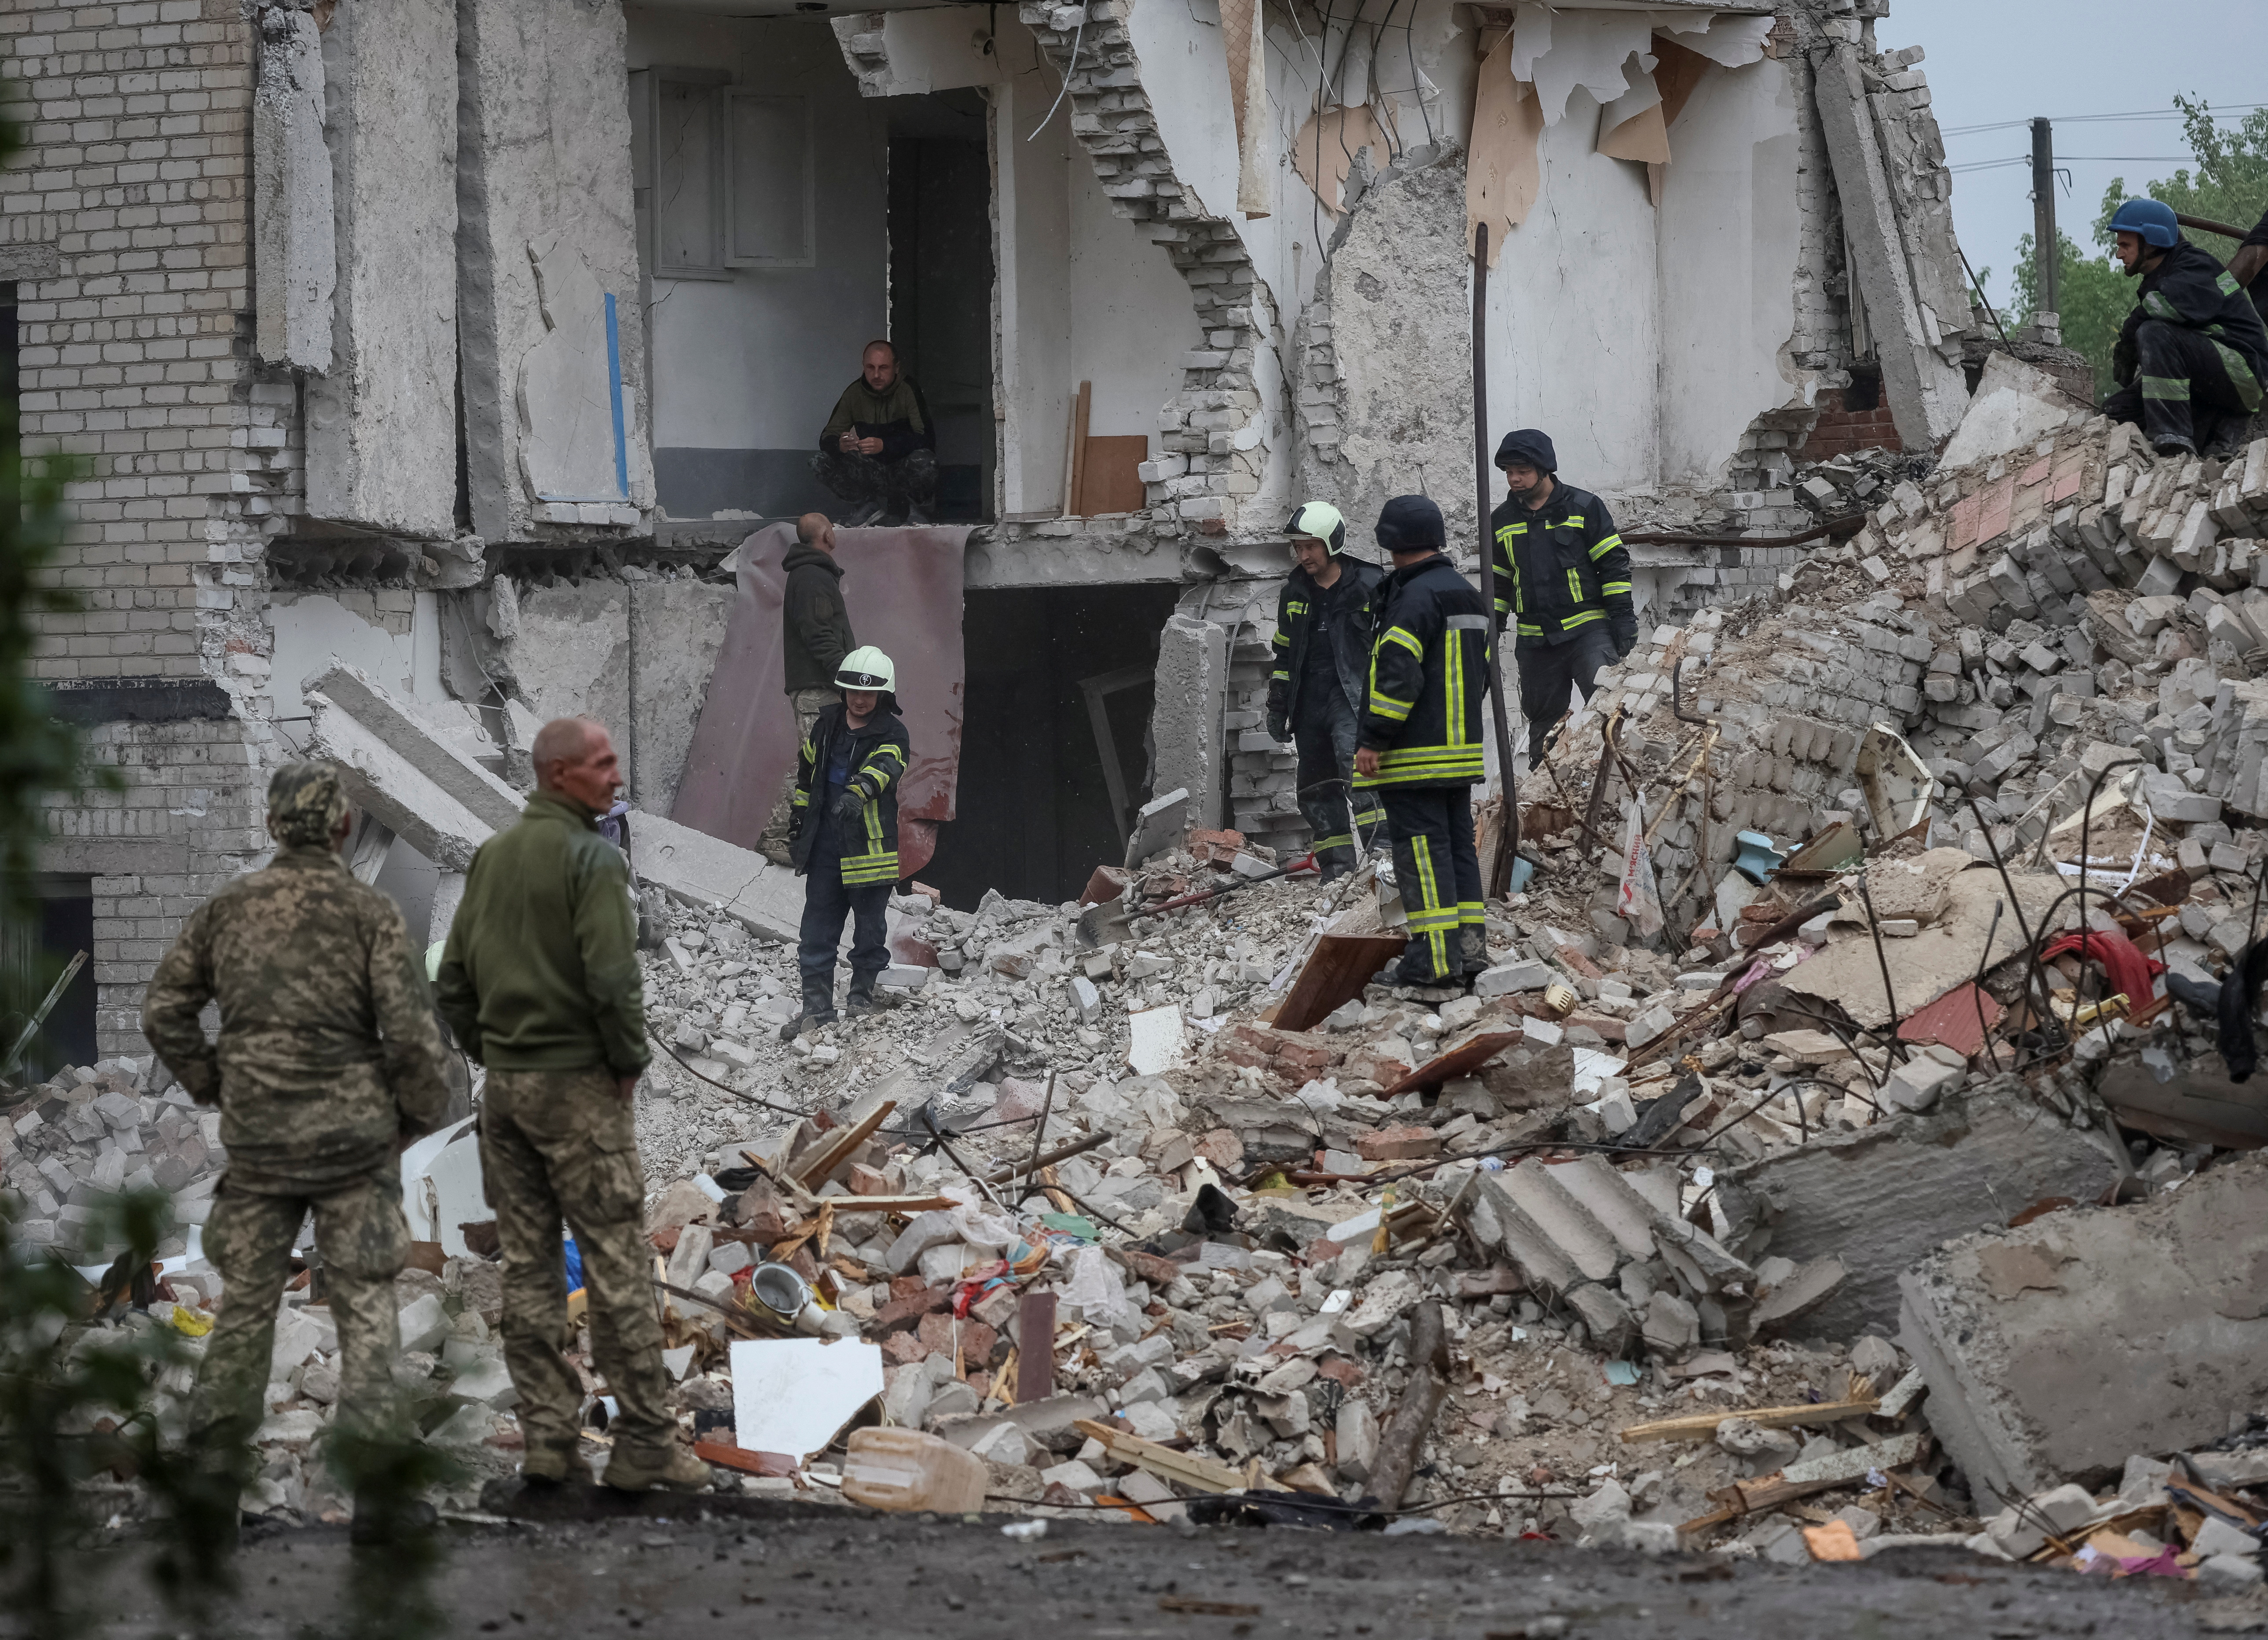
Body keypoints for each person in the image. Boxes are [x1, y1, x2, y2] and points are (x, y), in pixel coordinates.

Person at [142, 762, 451, 1544]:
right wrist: (415, 1120)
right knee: (365, 1312)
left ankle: (212, 1493)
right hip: (354, 1145)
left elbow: (163, 1010)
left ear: (275, 825)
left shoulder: (229, 909)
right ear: (344, 826)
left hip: (260, 1146)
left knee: (245, 1311)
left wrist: (213, 1083)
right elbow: (415, 1039)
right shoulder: (369, 911)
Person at [435, 717, 707, 1494]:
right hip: (579, 1091)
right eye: (601, 764)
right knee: (618, 1261)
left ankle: (549, 1441)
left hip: (507, 1098)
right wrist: (624, 1063)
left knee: (528, 1269)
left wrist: (494, 1053)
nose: (616, 777)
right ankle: (643, 1444)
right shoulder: (591, 860)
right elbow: (614, 981)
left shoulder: (490, 859)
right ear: (558, 774)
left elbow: (452, 980)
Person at [1352, 496, 1492, 989]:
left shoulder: (1412, 600)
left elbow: (1397, 678)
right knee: (1457, 850)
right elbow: (1484, 677)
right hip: (1460, 754)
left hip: (1413, 757)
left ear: (1390, 543)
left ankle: (1432, 961)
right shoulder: (1466, 594)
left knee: (1422, 855)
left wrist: (1373, 739)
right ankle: (1470, 952)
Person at [779, 646, 911, 1037]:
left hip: (868, 849)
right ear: (843, 692)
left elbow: (888, 765)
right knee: (816, 930)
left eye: (868, 694)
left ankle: (861, 1001)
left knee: (869, 930)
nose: (860, 699)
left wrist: (858, 791)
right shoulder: (827, 726)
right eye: (853, 691)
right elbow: (807, 776)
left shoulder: (893, 732)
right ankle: (816, 1011)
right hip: (825, 845)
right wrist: (799, 824)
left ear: (882, 696)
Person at [1489, 428, 1636, 768]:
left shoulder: (1585, 507)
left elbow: (1613, 567)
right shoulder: (1500, 521)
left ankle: (1616, 783)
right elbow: (1499, 585)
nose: (1514, 479)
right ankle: (1544, 793)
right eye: (1509, 472)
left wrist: (1623, 620)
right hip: (1536, 643)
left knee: (1609, 712)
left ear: (1544, 469)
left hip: (1588, 634)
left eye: (1522, 471)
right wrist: (1491, 632)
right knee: (1543, 728)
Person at [1266, 500, 1385, 881]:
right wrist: (1278, 704)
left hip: (1352, 698)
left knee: (1361, 778)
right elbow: (1284, 653)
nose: (1303, 555)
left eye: (1310, 546)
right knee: (1316, 786)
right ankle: (1338, 873)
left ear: (1332, 542)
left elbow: (1392, 650)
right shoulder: (1295, 592)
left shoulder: (1369, 585)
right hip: (1309, 701)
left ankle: (1384, 863)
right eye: (1298, 548)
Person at [2101, 198, 2268, 459]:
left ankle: (2175, 443)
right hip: (2209, 376)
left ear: (2152, 241)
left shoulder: (2194, 265)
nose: (2119, 254)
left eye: (2125, 245)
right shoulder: (2157, 277)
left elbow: (2164, 308)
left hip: (2245, 372)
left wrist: (2129, 336)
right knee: (2113, 412)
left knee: (2152, 333)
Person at [756, 512, 857, 866]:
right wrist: (848, 677)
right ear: (827, 535)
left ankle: (804, 839)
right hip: (818, 687)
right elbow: (819, 634)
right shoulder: (813, 577)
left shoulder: (812, 574)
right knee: (813, 763)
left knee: (821, 761)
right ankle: (776, 837)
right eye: (835, 527)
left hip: (821, 686)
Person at [811, 339, 939, 526]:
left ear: (896, 368)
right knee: (820, 461)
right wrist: (840, 445)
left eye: (884, 368)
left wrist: (885, 445)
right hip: (871, 470)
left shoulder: (908, 390)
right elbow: (827, 436)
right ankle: (867, 508)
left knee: (926, 460)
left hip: (903, 468)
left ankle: (918, 512)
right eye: (870, 368)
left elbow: (927, 438)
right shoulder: (854, 393)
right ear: (863, 367)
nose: (877, 375)